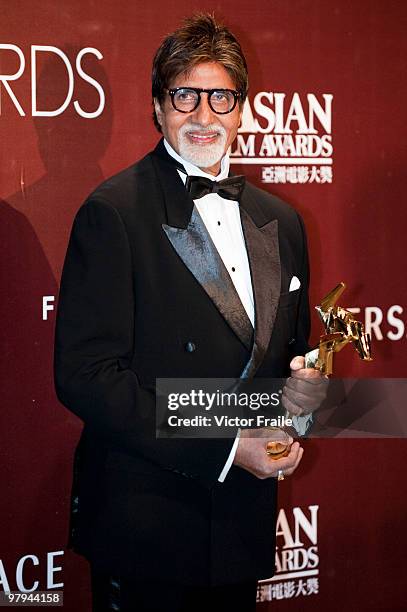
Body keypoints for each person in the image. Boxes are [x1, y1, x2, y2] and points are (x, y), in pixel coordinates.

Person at [54, 14, 327, 612]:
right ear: (158, 106)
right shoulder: (114, 212)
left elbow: (286, 361)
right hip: (147, 522)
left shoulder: (281, 221)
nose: (204, 117)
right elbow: (86, 376)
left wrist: (300, 406)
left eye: (221, 97)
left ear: (243, 110)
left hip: (239, 526)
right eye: (185, 95)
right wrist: (228, 446)